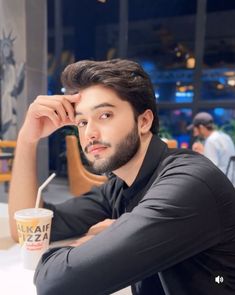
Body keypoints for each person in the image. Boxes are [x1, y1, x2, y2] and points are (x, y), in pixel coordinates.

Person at [8, 59, 235, 295]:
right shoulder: (120, 185)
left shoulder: (189, 182)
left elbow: (56, 283)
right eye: (82, 121)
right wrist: (27, 138)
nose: (90, 133)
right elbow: (28, 230)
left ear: (144, 121)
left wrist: (91, 241)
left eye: (105, 115)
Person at [187, 112, 235, 181]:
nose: (194, 132)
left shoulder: (211, 141)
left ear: (201, 127)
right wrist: (204, 152)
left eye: (195, 128)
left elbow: (210, 169)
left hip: (221, 185)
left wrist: (199, 155)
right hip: (232, 181)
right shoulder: (225, 137)